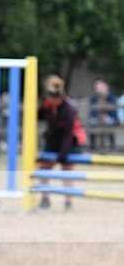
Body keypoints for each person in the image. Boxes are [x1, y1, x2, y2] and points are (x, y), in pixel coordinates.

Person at [37, 75, 87, 211]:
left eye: (54, 99)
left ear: (59, 97)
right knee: (43, 167)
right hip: (53, 139)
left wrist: (60, 156)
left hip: (72, 140)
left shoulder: (69, 108)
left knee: (67, 168)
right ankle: (45, 198)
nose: (51, 101)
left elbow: (67, 135)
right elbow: (38, 116)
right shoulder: (46, 105)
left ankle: (68, 201)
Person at [88, 77, 119, 151]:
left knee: (110, 122)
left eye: (99, 87)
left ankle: (112, 145)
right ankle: (93, 145)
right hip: (97, 118)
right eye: (96, 88)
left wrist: (107, 117)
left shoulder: (112, 97)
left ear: (106, 87)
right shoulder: (93, 98)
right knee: (92, 122)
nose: (97, 89)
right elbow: (92, 112)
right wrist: (99, 117)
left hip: (109, 118)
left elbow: (114, 112)